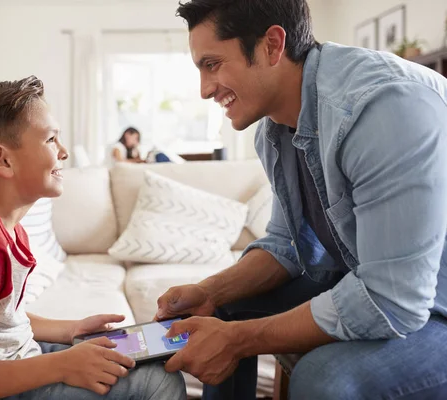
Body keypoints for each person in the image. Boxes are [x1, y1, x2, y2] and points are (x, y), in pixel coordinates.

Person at [155, 0, 447, 399]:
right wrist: (211, 292)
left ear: (273, 45)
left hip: (430, 304)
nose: (205, 90)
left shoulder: (383, 108)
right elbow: (290, 244)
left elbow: (393, 300)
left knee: (322, 379)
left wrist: (240, 339)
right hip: (385, 286)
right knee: (212, 313)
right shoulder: (273, 129)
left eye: (213, 64)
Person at [0, 76, 185, 400]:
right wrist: (62, 365)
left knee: (129, 356)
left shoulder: (0, 222)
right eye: (50, 139)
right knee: (159, 380)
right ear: (2, 160)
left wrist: (69, 331)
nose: (63, 152)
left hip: (7, 361)